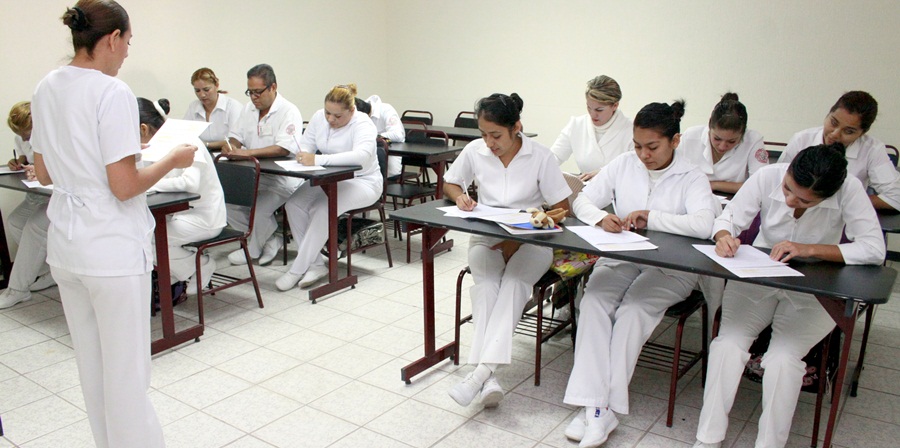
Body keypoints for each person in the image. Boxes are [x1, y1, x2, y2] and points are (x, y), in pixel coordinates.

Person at [30, 1, 197, 446]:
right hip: (110, 250)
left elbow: (44, 173)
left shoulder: (47, 86)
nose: (126, 54)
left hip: (67, 247)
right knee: (126, 375)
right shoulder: (112, 92)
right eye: (127, 43)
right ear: (112, 39)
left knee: (93, 368)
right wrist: (171, 160)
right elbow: (124, 186)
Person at [693, 143, 885, 448]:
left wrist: (811, 249)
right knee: (728, 345)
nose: (789, 199)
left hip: (813, 287)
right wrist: (724, 236)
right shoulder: (769, 175)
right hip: (759, 276)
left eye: (804, 200)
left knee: (783, 360)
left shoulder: (849, 189)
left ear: (827, 195)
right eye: (787, 188)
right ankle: (707, 439)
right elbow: (728, 217)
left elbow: (874, 249)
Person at [563, 101, 720, 447]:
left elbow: (703, 224)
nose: (643, 154)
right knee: (594, 302)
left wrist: (652, 216)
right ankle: (594, 406)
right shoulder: (623, 164)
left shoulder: (692, 176)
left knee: (633, 310)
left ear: (675, 141)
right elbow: (582, 200)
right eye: (637, 146)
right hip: (623, 256)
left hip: (672, 268)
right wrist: (600, 218)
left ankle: (602, 408)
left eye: (652, 147)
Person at [442, 93, 572, 409]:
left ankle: (479, 373)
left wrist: (521, 236)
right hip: (486, 237)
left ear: (517, 127)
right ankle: (489, 379)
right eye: (484, 134)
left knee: (514, 285)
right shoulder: (475, 150)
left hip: (532, 240)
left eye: (496, 135)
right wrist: (459, 197)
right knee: (486, 288)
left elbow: (562, 208)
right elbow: (451, 182)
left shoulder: (541, 157)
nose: (489, 142)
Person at [274, 84, 383, 290]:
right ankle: (315, 265)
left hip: (363, 181)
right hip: (327, 177)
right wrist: (303, 154)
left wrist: (317, 158)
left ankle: (297, 269)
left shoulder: (363, 123)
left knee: (323, 209)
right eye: (327, 113)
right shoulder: (318, 117)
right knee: (294, 205)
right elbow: (306, 143)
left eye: (337, 116)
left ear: (352, 111)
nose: (331, 120)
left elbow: (361, 156)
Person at [141, 97, 225, 294]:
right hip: (179, 213)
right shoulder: (156, 143)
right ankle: (182, 270)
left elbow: (189, 183)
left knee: (149, 240)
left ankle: (200, 265)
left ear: (144, 128)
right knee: (141, 236)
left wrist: (148, 182)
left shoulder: (187, 139)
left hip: (205, 216)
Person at [222, 64, 303, 266]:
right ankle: (271, 238)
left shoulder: (288, 111)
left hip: (282, 179)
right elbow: (236, 137)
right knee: (226, 203)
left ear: (273, 87)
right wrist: (231, 147)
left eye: (258, 92)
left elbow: (283, 148)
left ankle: (253, 249)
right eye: (250, 92)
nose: (253, 97)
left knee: (259, 210)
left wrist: (245, 153)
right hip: (254, 176)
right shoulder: (248, 109)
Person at [777, 91, 900, 210]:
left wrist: (847, 202)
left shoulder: (872, 149)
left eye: (849, 131)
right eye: (833, 122)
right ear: (828, 114)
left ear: (862, 133)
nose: (835, 134)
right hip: (796, 211)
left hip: (842, 220)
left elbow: (896, 197)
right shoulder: (802, 139)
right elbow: (777, 182)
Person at [0, 101, 56, 309]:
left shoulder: (53, 134)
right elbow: (25, 153)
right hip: (38, 193)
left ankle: (17, 289)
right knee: (15, 221)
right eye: (21, 135)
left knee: (35, 226)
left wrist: (41, 169)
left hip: (57, 196)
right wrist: (19, 161)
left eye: (27, 134)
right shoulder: (23, 136)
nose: (25, 138)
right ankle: (50, 270)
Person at [679, 92, 768, 193]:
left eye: (732, 141)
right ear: (709, 125)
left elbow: (760, 185)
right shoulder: (690, 136)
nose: (722, 146)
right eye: (717, 139)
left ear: (743, 133)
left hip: (737, 202)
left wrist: (714, 185)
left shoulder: (753, 140)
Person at [550, 75, 633, 181]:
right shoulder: (577, 125)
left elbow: (637, 168)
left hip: (620, 191)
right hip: (586, 190)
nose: (593, 115)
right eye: (589, 107)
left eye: (599, 110)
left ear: (615, 106)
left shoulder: (631, 130)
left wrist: (605, 173)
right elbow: (554, 157)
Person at [182, 67, 242, 151]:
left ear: (216, 85)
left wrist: (207, 145)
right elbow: (184, 134)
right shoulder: (193, 107)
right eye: (197, 91)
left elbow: (236, 140)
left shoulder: (233, 106)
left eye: (206, 90)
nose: (202, 95)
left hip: (229, 155)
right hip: (202, 153)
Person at [355, 94, 406, 177]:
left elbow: (398, 134)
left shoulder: (386, 110)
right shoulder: (360, 110)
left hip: (389, 152)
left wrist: (374, 136)